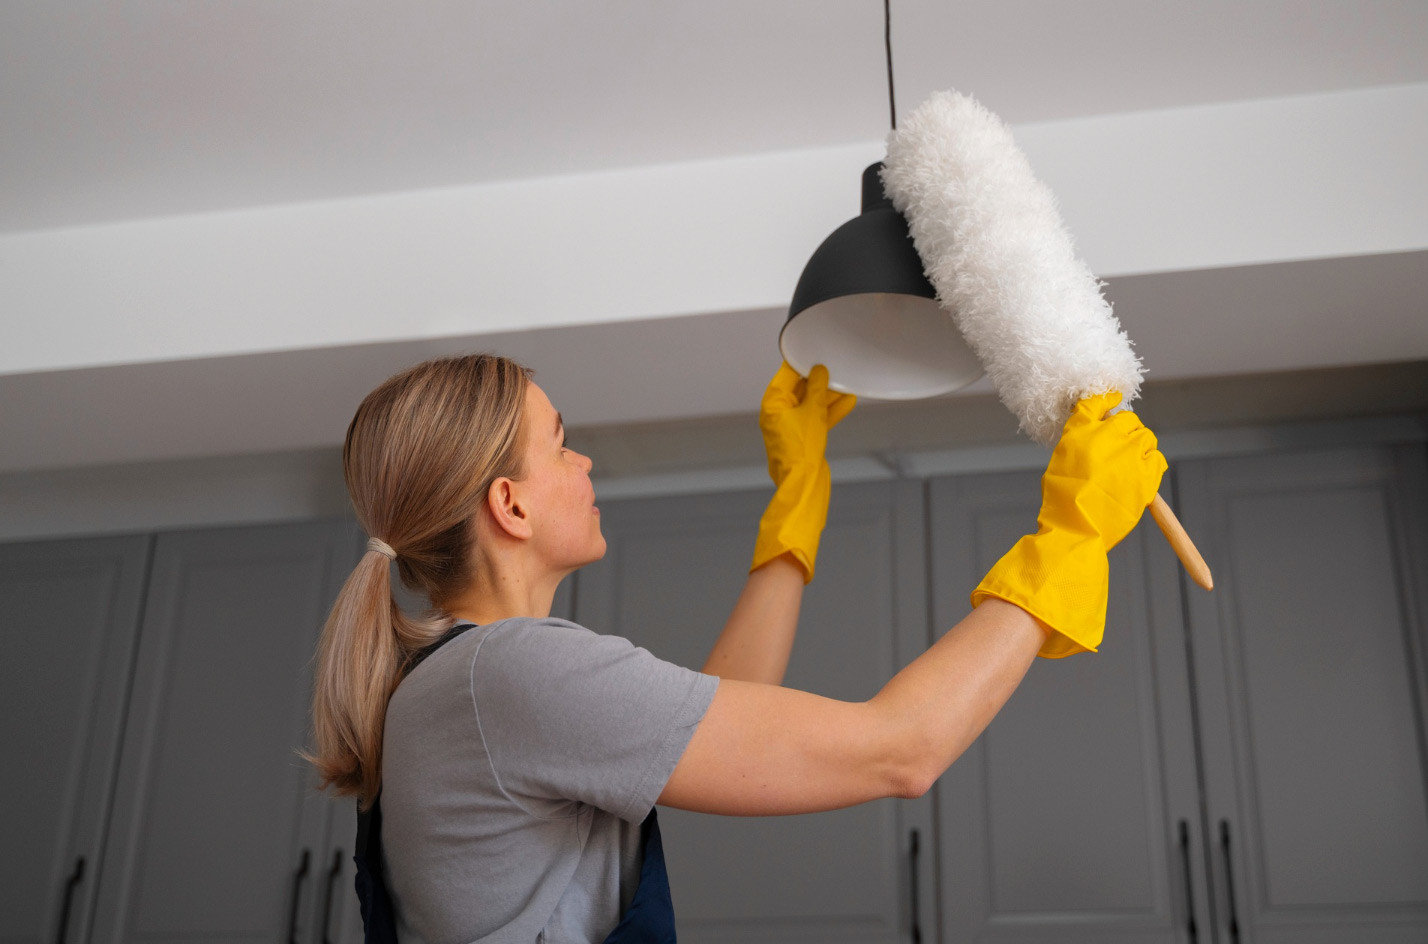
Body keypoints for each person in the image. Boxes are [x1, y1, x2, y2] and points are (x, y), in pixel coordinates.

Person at [306, 352, 1166, 943]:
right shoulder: (510, 673)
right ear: (511, 506)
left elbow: (720, 709)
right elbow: (900, 750)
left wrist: (798, 499)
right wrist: (1072, 535)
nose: (586, 462)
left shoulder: (466, 681)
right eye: (560, 445)